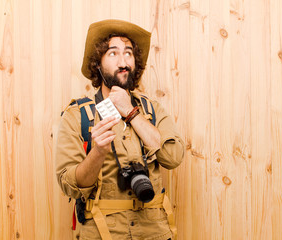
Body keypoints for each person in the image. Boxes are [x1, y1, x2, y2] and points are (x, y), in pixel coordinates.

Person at [55, 19, 185, 240]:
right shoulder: (77, 116)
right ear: (98, 62)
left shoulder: (151, 109)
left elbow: (173, 157)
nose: (123, 61)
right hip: (103, 231)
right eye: (113, 54)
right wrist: (98, 152)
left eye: (129, 53)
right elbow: (70, 186)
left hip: (155, 231)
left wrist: (132, 112)